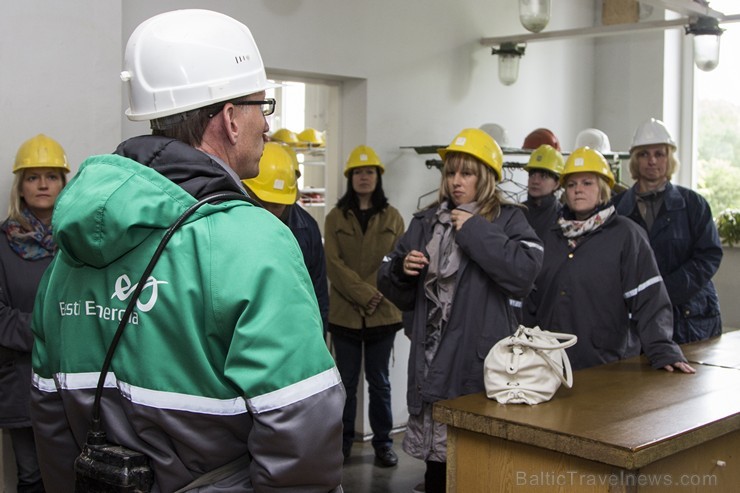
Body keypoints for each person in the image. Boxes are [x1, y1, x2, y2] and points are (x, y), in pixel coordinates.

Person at [29, 10, 344, 493]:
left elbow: (51, 417)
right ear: (230, 119)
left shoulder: (68, 252)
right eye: (264, 106)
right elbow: (301, 433)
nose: (267, 125)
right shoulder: (252, 241)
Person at [378, 128, 543, 493]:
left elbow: (524, 274)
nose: (456, 181)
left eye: (466, 173)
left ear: (485, 177)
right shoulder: (425, 221)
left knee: (477, 464)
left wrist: (476, 231)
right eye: (450, 172)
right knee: (437, 468)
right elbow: (389, 278)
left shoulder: (510, 220)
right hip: (430, 360)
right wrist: (400, 269)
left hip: (478, 363)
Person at [525, 146, 696, 374]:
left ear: (603, 189)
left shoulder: (626, 234)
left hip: (607, 363)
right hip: (550, 362)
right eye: (572, 184)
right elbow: (532, 298)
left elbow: (649, 296)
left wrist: (663, 349)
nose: (578, 190)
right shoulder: (550, 235)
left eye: (587, 183)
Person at [324, 144, 405, 467]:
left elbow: (395, 260)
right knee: (345, 385)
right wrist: (363, 293)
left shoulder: (393, 217)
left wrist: (373, 293)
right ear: (350, 178)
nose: (364, 177)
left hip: (383, 315)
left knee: (380, 383)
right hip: (345, 316)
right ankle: (341, 444)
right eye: (358, 172)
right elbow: (333, 263)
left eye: (369, 171)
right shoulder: (334, 217)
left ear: (378, 177)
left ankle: (383, 444)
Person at [613, 118, 723, 344]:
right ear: (635, 160)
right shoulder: (615, 209)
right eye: (644, 154)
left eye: (659, 154)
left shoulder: (694, 204)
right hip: (635, 321)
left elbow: (708, 256)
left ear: (669, 159)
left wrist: (664, 290)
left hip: (689, 320)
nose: (652, 161)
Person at [1, 134, 69, 493]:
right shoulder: (2, 243)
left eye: (52, 176)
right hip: (22, 384)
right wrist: (51, 331)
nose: (43, 184)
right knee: (31, 477)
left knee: (74, 475)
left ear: (64, 183)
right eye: (32, 177)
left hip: (74, 381)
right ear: (20, 187)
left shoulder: (81, 241)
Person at [242, 141, 329, 330]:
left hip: (293, 330)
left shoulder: (306, 228)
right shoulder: (232, 226)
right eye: (264, 203)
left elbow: (318, 290)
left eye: (277, 205)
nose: (271, 212)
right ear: (248, 192)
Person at [522, 144, 565, 240]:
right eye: (532, 175)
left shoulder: (564, 217)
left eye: (544, 176)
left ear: (557, 184)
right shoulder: (517, 212)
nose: (535, 181)